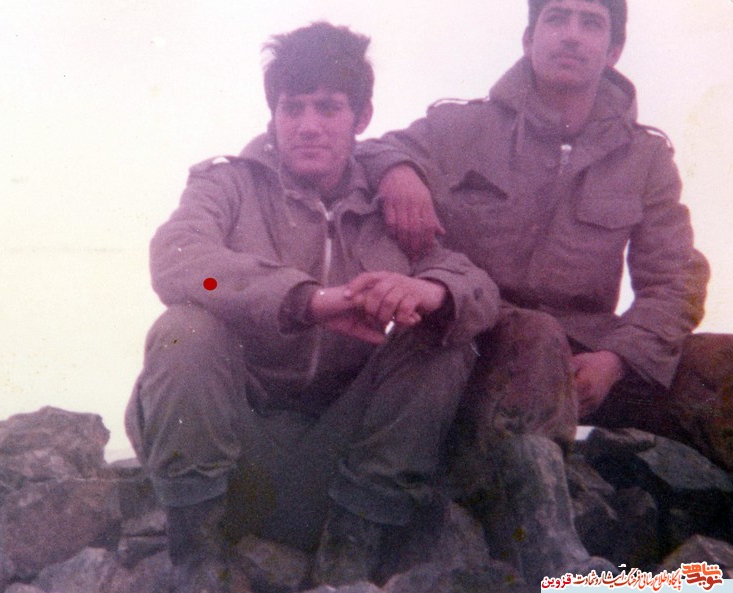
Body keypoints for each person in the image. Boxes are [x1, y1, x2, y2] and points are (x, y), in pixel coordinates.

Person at [357, 0, 732, 583]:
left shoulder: (646, 157)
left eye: (591, 22)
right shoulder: (464, 127)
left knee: (722, 366)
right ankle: (547, 557)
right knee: (536, 337)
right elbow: (371, 149)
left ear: (613, 50)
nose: (571, 36)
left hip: (593, 358)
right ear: (529, 37)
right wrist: (398, 173)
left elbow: (676, 278)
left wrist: (617, 359)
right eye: (557, 19)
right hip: (484, 339)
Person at [124, 22, 500, 590]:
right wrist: (305, 300)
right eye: (292, 107)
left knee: (441, 340)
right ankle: (198, 558)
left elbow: (477, 286)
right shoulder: (229, 186)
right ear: (273, 114)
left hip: (336, 461)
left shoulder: (390, 210)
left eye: (328, 108)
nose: (307, 126)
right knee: (184, 327)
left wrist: (434, 292)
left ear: (362, 117)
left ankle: (348, 557)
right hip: (235, 450)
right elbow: (179, 260)